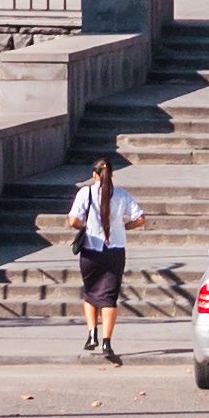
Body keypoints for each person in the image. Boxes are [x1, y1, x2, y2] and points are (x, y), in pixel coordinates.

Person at [67, 154, 139, 359]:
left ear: (94, 175)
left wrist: (86, 227)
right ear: (112, 175)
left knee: (90, 292)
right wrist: (125, 226)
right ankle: (107, 342)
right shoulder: (122, 195)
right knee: (109, 297)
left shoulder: (85, 193)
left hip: (90, 250)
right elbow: (140, 218)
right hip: (115, 251)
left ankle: (92, 334)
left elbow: (73, 221)